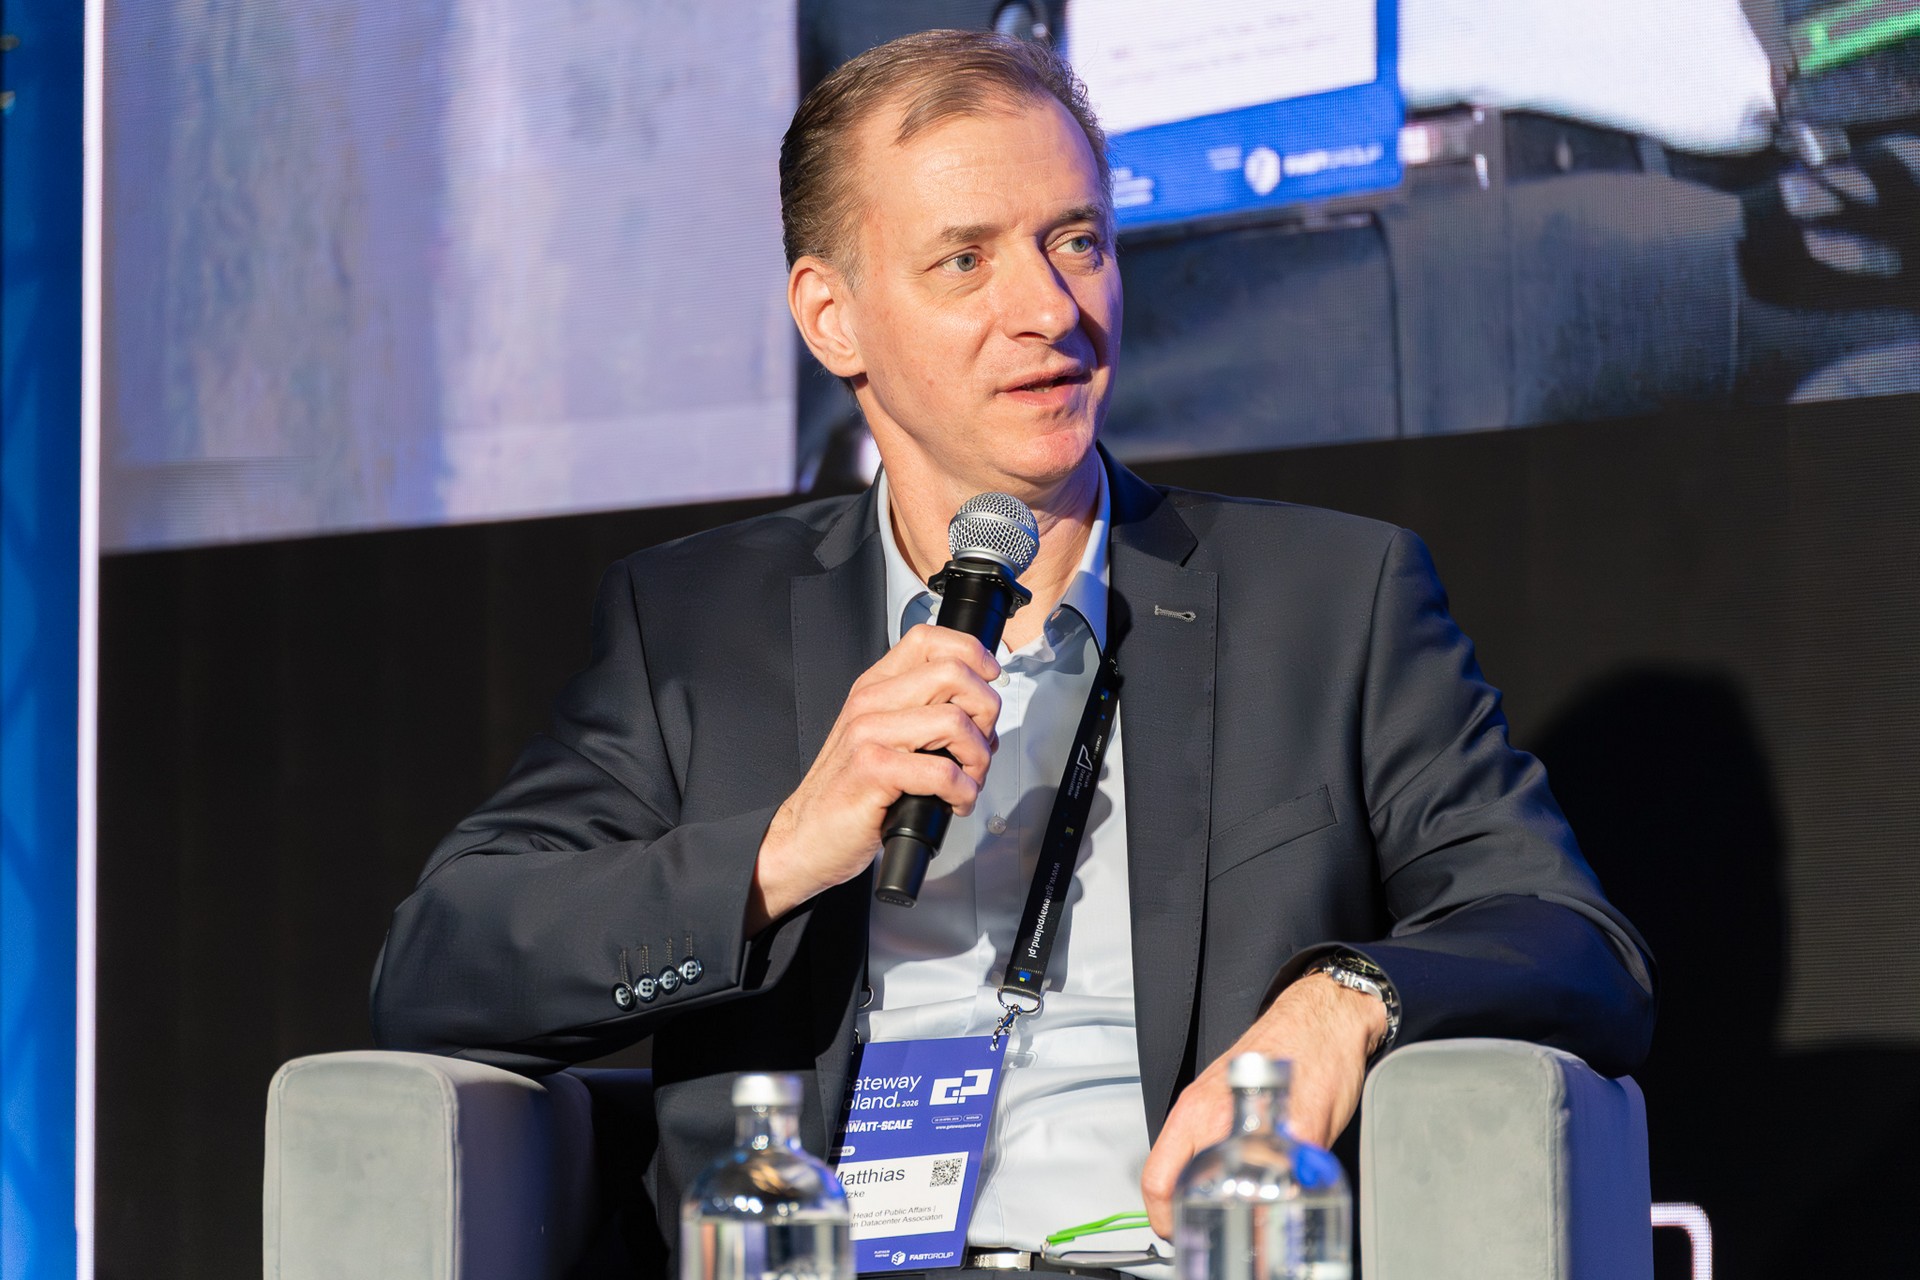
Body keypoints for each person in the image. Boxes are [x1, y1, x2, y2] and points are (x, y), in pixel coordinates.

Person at [371, 29, 1655, 1273]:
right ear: (833, 318)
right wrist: (784, 850)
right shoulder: (700, 622)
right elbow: (441, 965)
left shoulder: (1326, 598)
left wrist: (1340, 1000)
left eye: (1076, 241)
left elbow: (1567, 935)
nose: (1047, 308)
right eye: (965, 260)